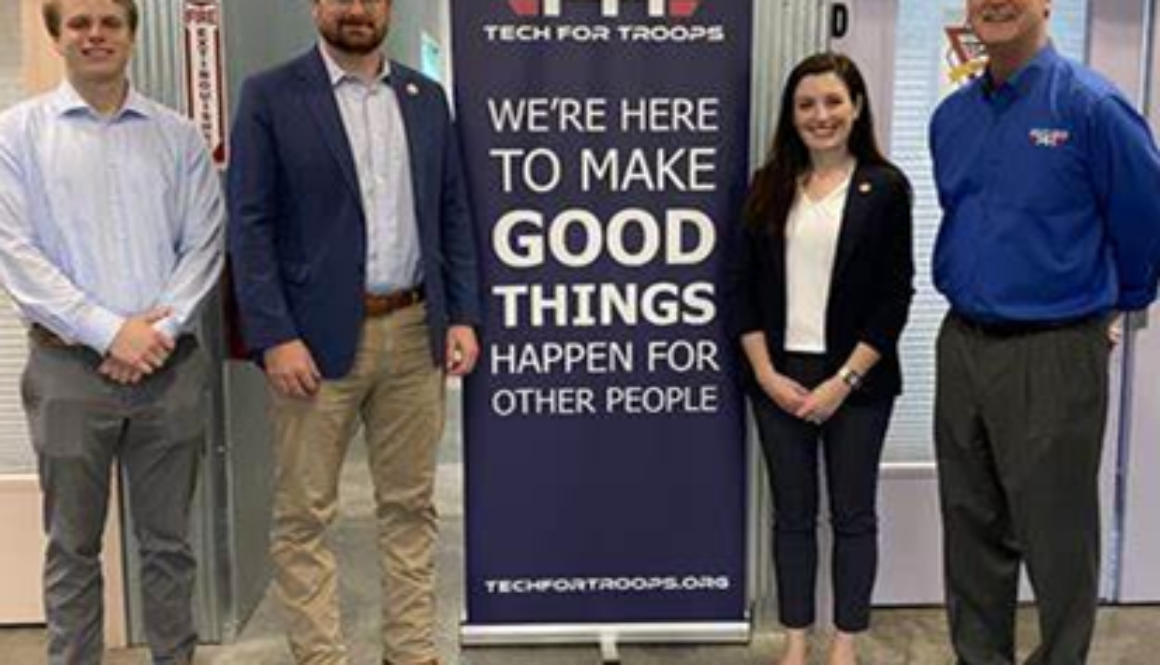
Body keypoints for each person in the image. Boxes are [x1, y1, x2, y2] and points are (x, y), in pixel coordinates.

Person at [227, 0, 481, 662]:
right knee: (304, 515)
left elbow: (452, 210)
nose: (357, 8)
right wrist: (274, 334)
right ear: (317, 6)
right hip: (310, 345)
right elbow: (247, 226)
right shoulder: (271, 95)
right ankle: (321, 656)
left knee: (409, 506)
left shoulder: (427, 99)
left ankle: (412, 650)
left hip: (414, 328)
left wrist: (462, 314)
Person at [930, 1, 1160, 663]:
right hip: (962, 343)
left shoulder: (1092, 107)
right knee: (970, 529)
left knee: (1059, 541)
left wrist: (1110, 312)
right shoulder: (953, 117)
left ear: (1046, 4)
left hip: (1054, 349)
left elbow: (1145, 223)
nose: (995, 4)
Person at [0, 0, 225, 662]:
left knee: (168, 545)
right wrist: (109, 333)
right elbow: (16, 253)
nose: (95, 34)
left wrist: (155, 333)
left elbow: (205, 245)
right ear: (58, 35)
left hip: (170, 369)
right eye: (79, 23)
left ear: (131, 34)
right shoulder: (17, 135)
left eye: (110, 22)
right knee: (71, 546)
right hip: (66, 371)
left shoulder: (179, 136)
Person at [729, 53, 914, 665]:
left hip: (857, 383)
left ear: (856, 106)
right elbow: (741, 290)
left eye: (834, 101)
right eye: (806, 104)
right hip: (778, 379)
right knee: (793, 517)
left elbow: (894, 298)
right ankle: (796, 642)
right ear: (792, 114)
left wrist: (844, 380)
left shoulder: (886, 188)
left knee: (854, 515)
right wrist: (764, 375)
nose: (821, 115)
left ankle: (845, 644)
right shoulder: (767, 186)